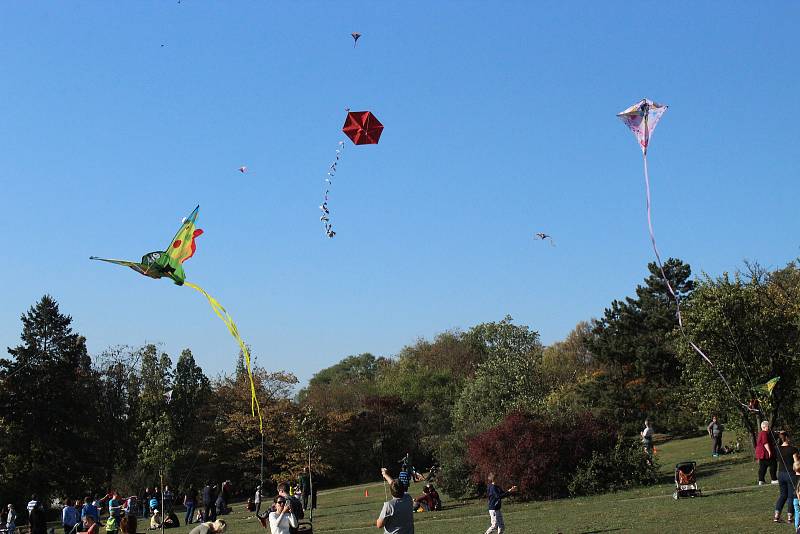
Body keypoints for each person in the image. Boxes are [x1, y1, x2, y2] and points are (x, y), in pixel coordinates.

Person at [377, 467, 414, 534]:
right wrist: (385, 475)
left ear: (391, 491)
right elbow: (395, 485)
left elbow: (379, 525)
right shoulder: (408, 498)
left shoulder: (389, 505)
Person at [774, 431, 800, 523]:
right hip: (791, 474)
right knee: (790, 496)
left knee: (782, 495)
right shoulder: (793, 449)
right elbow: (796, 462)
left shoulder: (777, 448)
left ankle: (776, 515)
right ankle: (790, 517)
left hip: (780, 474)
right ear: (787, 437)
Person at [757, 420, 779, 485]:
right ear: (765, 427)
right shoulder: (764, 433)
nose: (769, 428)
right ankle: (774, 479)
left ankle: (761, 480)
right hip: (765, 453)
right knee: (773, 464)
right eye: (768, 426)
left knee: (763, 467)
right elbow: (765, 442)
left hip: (761, 454)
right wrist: (769, 451)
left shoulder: (761, 433)